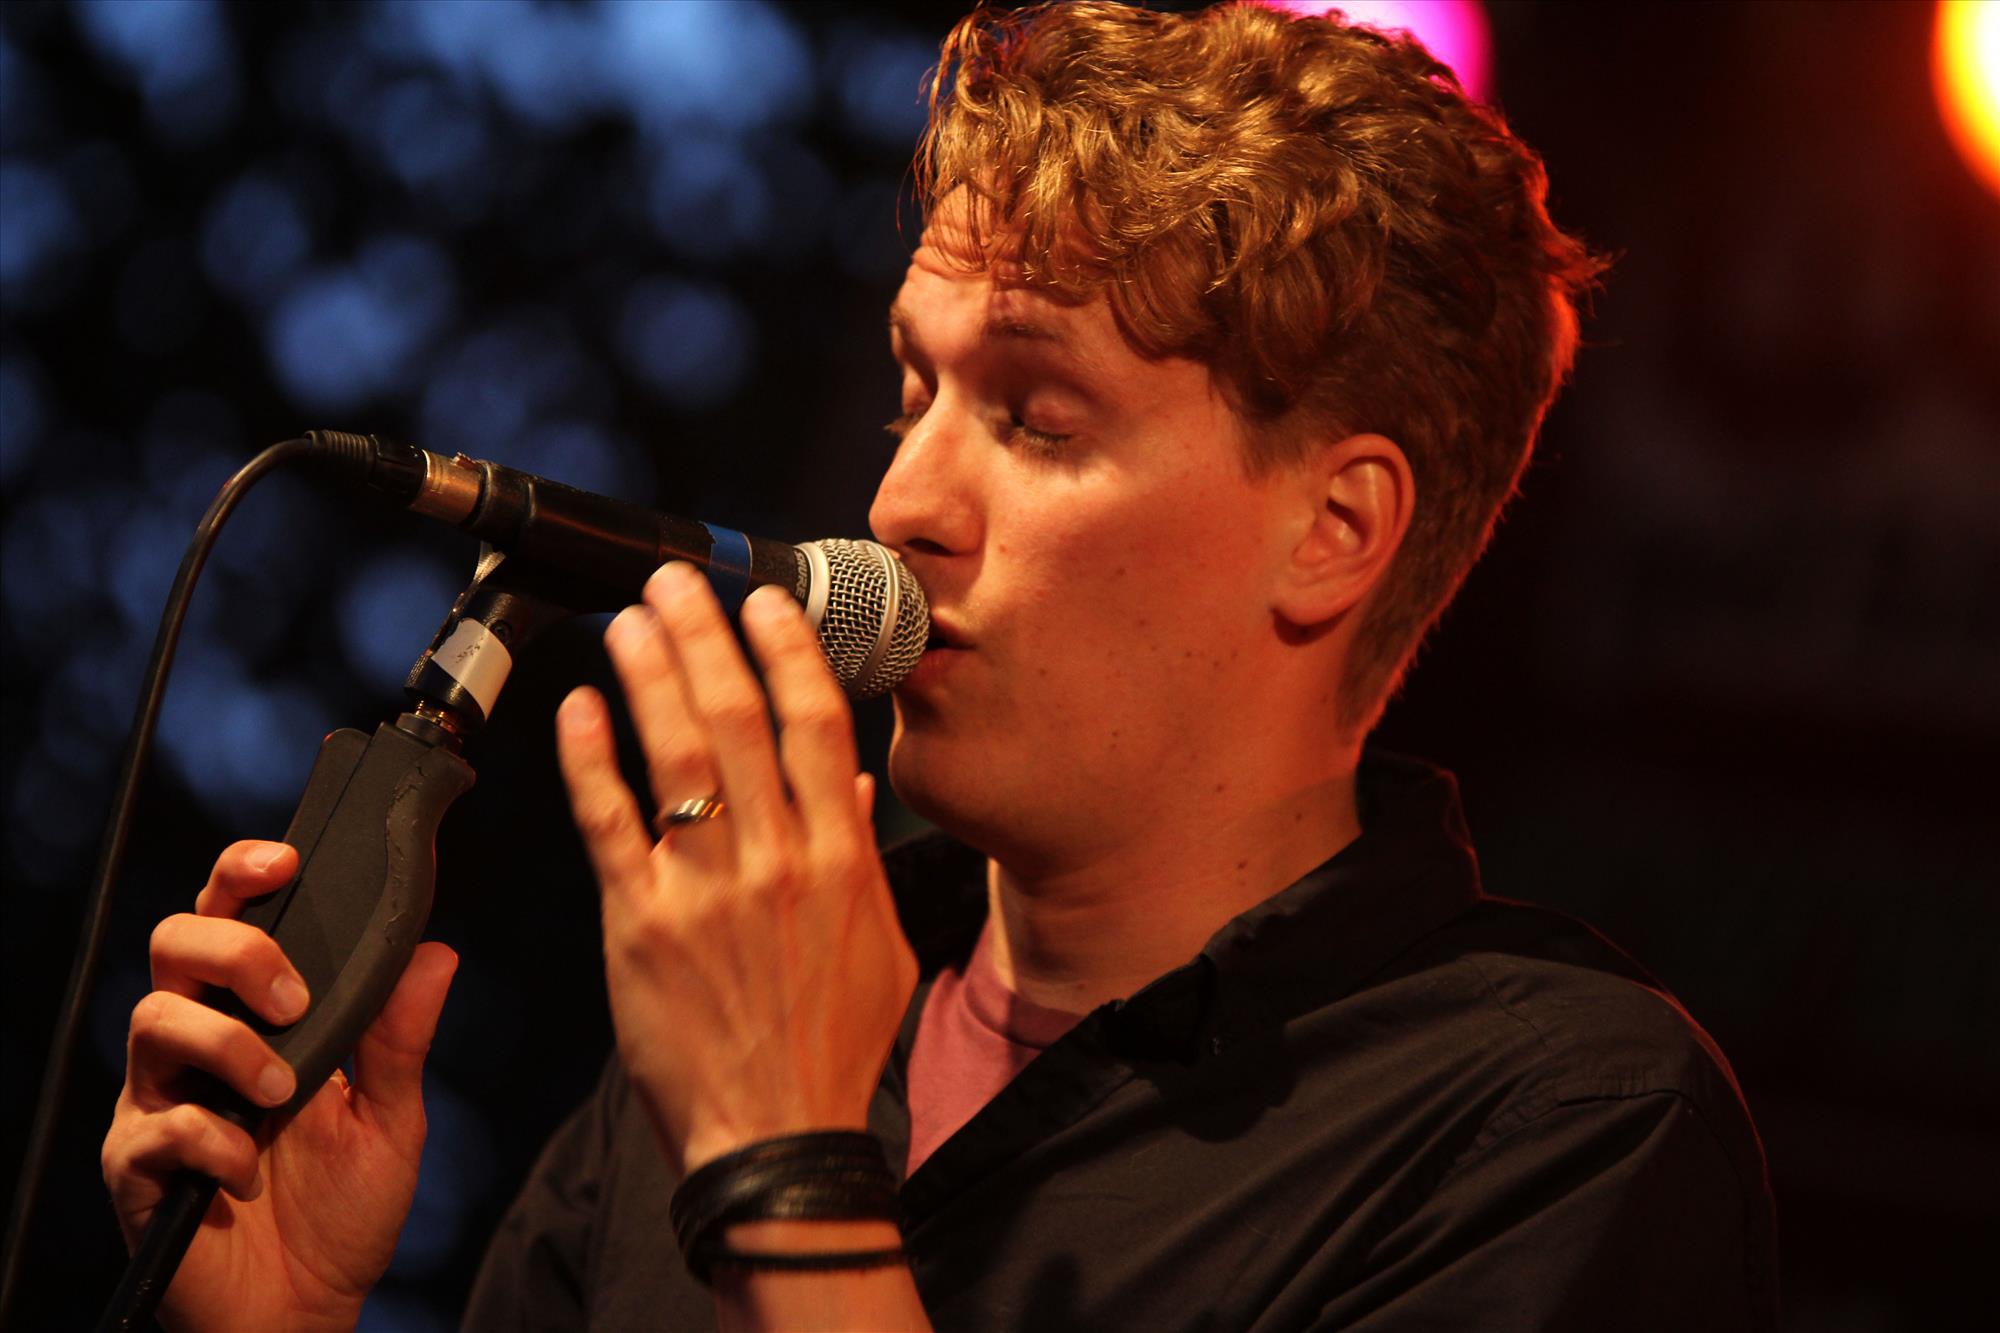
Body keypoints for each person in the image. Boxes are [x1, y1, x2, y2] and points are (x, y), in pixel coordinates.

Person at [102, 3, 1778, 1329]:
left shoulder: (1555, 1124)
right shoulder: (785, 991)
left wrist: (788, 1171)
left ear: (1333, 530)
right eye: (917, 394)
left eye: (1038, 419)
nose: (903, 501)